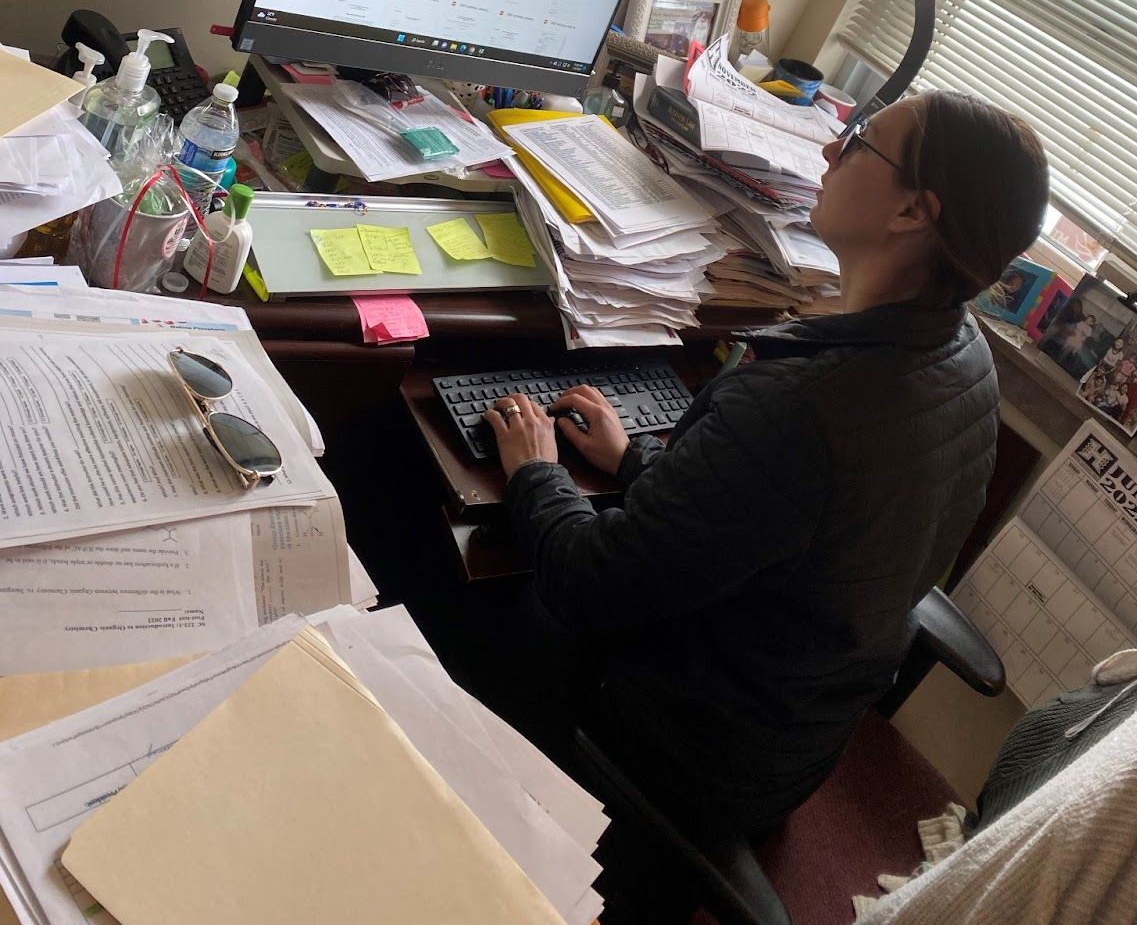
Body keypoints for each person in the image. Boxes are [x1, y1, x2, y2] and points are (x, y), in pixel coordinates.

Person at [328, 91, 1048, 921]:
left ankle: (382, 786)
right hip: (786, 732)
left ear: (914, 212)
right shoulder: (962, 356)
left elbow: (588, 586)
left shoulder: (806, 402)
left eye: (856, 143)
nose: (827, 155)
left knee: (394, 469)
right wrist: (638, 461)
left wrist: (536, 470)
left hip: (667, 741)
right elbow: (774, 523)